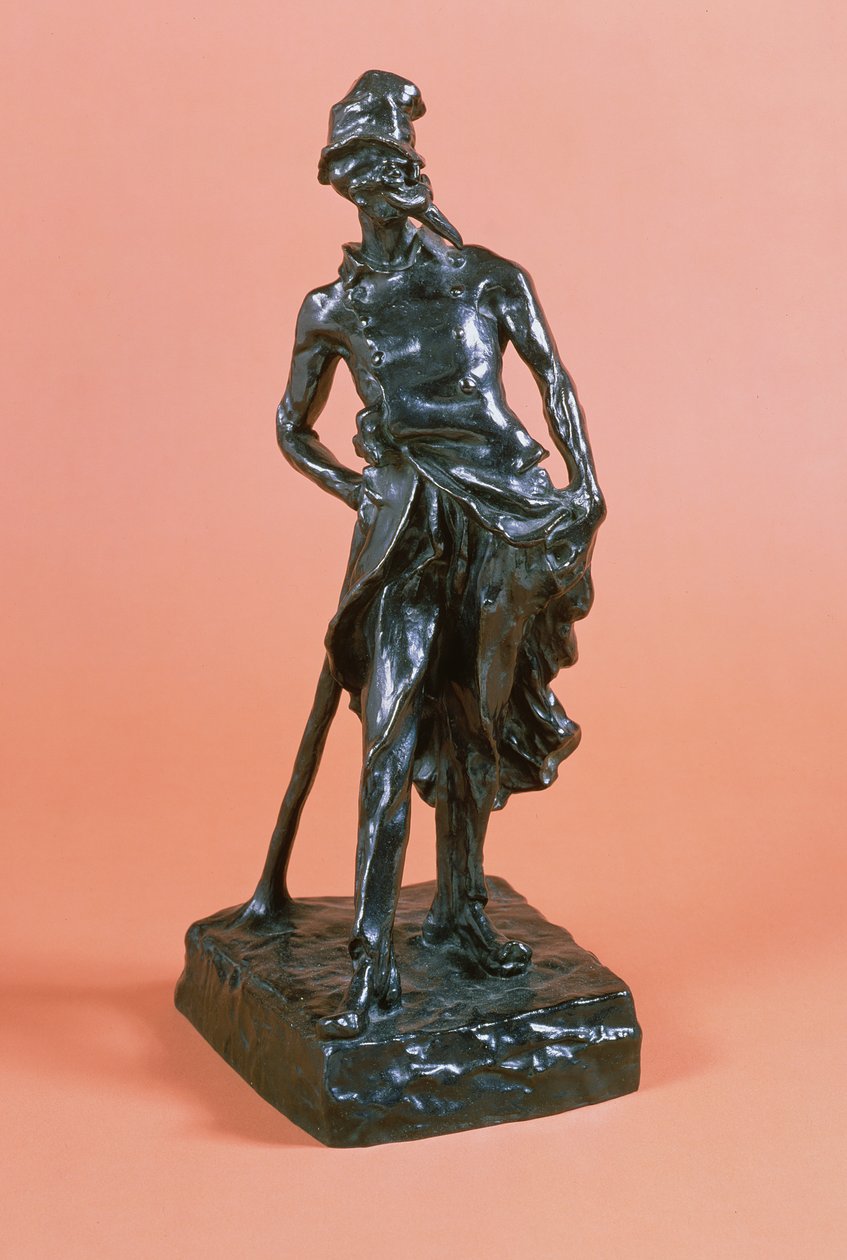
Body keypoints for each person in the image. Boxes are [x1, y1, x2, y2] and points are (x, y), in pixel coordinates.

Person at [275, 71, 605, 1037]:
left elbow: (553, 380)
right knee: (386, 734)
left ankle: (459, 910)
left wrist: (586, 484)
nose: (388, 178)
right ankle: (372, 960)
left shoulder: (486, 276)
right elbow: (291, 425)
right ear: (342, 180)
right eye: (366, 164)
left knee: (476, 721)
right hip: (403, 532)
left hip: (502, 521)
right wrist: (356, 488)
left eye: (397, 160)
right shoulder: (330, 305)